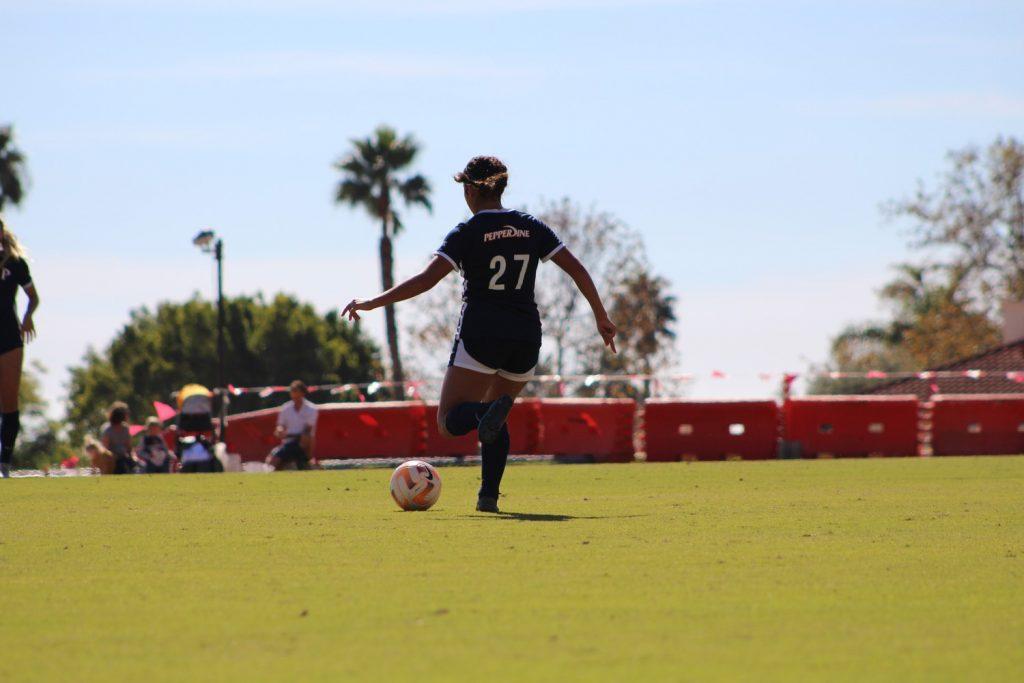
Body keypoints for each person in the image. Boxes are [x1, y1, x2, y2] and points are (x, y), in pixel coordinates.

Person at [342, 156, 617, 512]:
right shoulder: (530, 226)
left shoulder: (468, 231)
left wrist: (371, 302)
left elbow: (426, 280)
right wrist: (600, 315)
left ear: (470, 189)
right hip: (526, 336)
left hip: (482, 332)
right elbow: (577, 268)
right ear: (501, 187)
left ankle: (481, 419)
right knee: (496, 417)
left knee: (450, 421)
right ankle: (488, 496)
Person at [0, 217, 40, 478]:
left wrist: (27, 317)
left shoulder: (14, 263)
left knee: (9, 400)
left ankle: (5, 460)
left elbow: (33, 297)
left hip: (9, 337)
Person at [266, 380, 318, 471]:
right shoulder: (286, 408)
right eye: (292, 392)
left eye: (296, 391)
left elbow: (307, 430)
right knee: (273, 461)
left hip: (302, 443)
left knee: (304, 439)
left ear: (302, 393)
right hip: (288, 442)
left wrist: (288, 435)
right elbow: (280, 426)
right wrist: (280, 430)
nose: (294, 395)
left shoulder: (311, 409)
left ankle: (305, 459)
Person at [101, 401, 136, 474]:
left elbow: (128, 446)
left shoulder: (125, 428)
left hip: (123, 457)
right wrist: (113, 456)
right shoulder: (107, 429)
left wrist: (133, 457)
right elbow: (105, 449)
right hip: (111, 459)